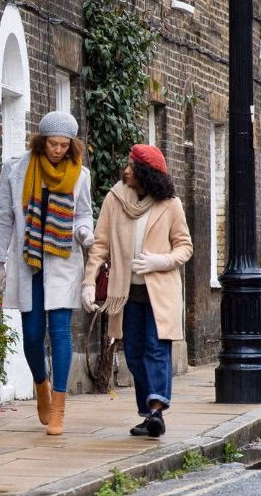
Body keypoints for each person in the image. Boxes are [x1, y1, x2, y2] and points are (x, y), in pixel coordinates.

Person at [0, 111, 93, 436]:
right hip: (29, 262)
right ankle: (41, 384)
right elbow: (2, 217)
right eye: (53, 143)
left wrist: (85, 232)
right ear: (42, 140)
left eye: (64, 145)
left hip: (62, 263)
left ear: (71, 145)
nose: (58, 150)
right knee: (32, 336)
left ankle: (59, 408)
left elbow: (84, 213)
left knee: (60, 331)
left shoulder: (80, 175)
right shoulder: (16, 169)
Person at [82, 144, 192, 438]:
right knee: (133, 353)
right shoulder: (115, 199)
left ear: (147, 173)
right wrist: (89, 282)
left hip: (160, 294)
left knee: (156, 350)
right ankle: (148, 413)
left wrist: (162, 260)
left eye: (132, 166)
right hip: (125, 292)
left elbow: (185, 247)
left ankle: (156, 411)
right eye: (127, 165)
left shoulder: (170, 204)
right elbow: (100, 245)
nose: (126, 170)